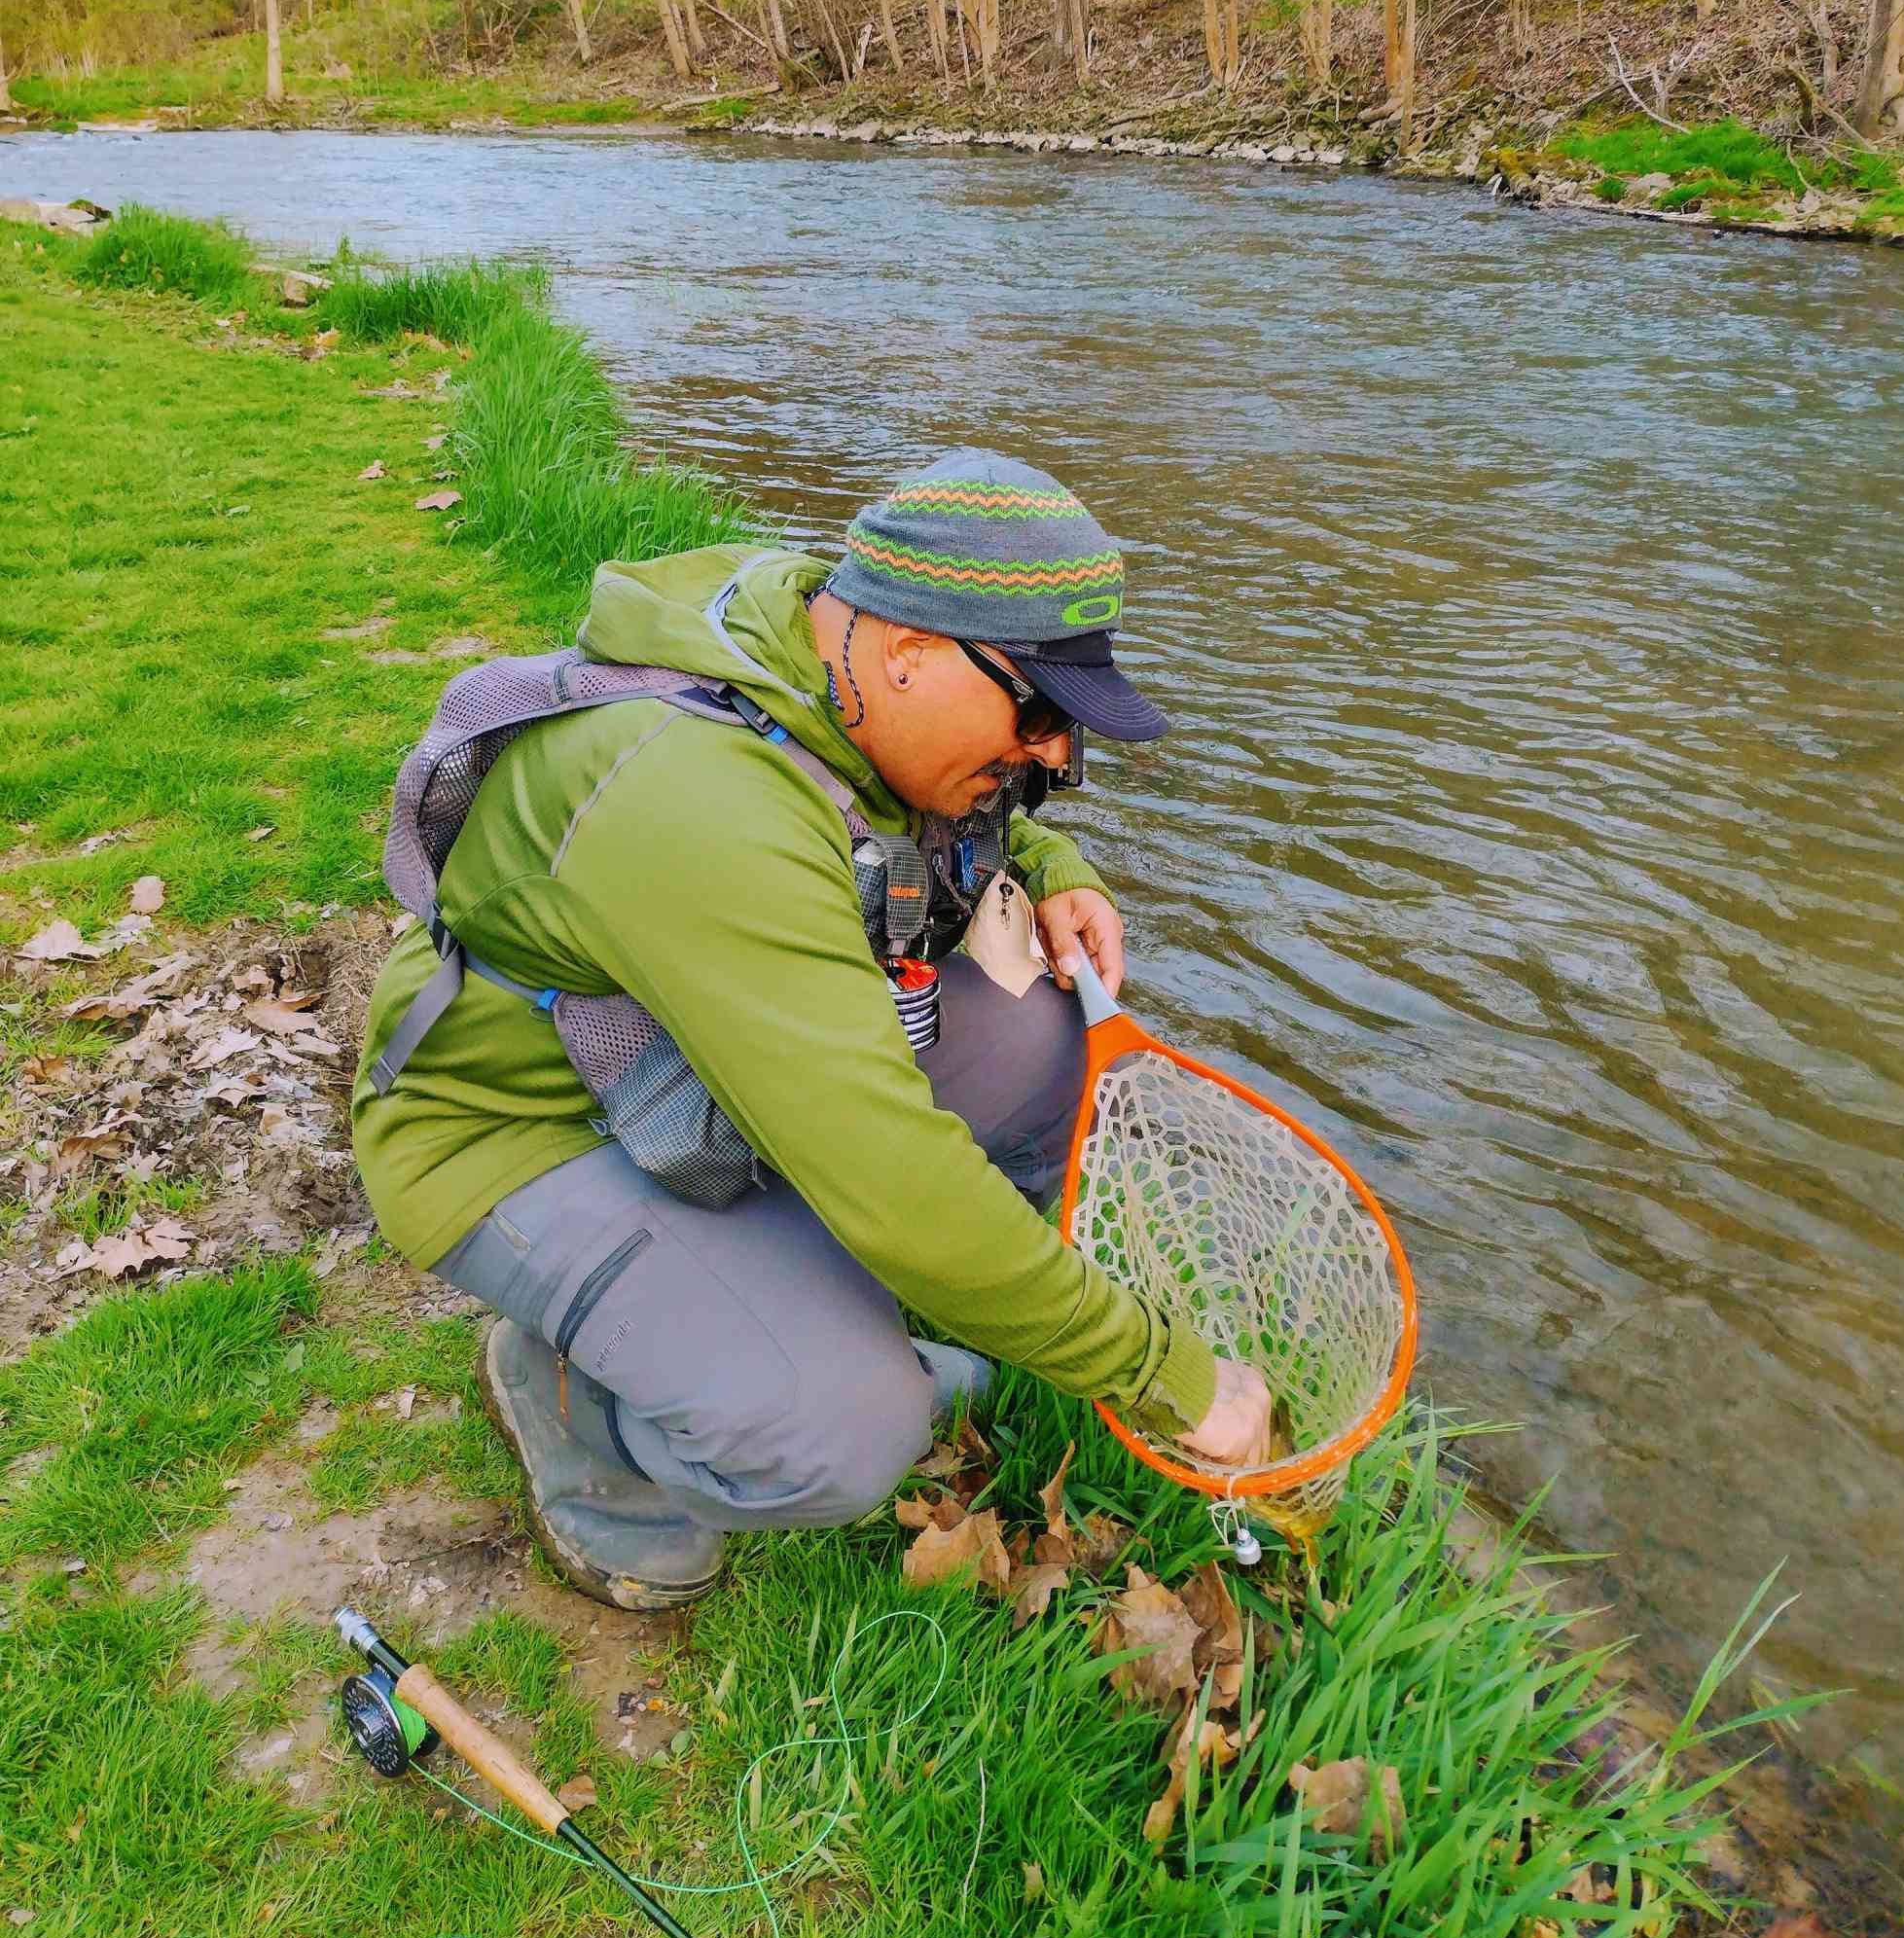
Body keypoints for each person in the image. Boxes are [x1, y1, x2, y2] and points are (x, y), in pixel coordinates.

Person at [351, 449, 1272, 1610]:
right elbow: (894, 1181)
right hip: (513, 1128)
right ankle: (573, 1409)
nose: (1053, 753)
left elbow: (900, 804)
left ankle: (754, 1314)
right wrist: (1169, 1377)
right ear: (909, 652)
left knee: (1042, 1041)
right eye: (1040, 713)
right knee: (844, 1433)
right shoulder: (699, 802)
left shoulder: (817, 640)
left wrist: (1050, 862)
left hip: (683, 1068)